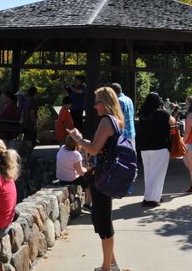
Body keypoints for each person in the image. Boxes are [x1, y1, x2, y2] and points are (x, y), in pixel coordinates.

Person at [68, 86, 124, 271]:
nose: (94, 107)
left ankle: (107, 268)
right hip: (104, 176)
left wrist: (77, 138)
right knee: (101, 220)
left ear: (105, 103)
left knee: (103, 222)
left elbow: (93, 149)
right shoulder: (115, 121)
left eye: (97, 102)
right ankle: (112, 264)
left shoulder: (106, 122)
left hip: (101, 177)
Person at [138, 92, 173, 208]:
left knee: (149, 173)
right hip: (160, 146)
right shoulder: (161, 113)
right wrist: (164, 108)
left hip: (145, 147)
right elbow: (172, 121)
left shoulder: (142, 113)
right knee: (158, 174)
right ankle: (150, 199)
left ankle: (154, 196)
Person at [56, 135, 92, 211]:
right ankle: (88, 204)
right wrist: (88, 168)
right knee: (90, 179)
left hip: (61, 178)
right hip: (71, 179)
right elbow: (81, 172)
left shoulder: (62, 148)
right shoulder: (76, 155)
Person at [110, 83, 136, 148]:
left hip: (124, 136)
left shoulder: (119, 101)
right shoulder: (128, 99)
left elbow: (117, 119)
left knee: (124, 157)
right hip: (131, 133)